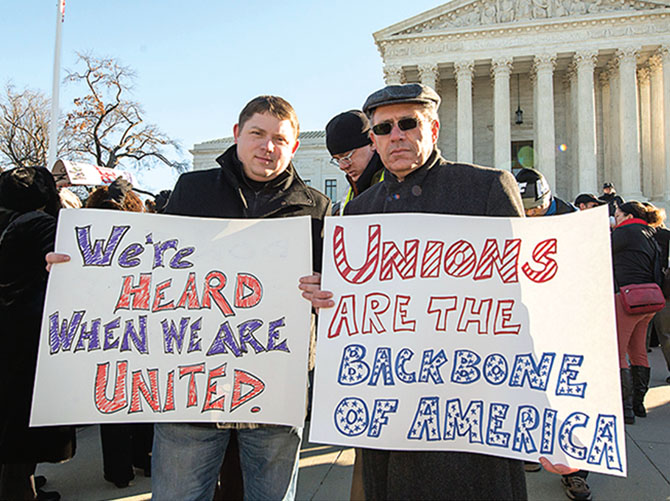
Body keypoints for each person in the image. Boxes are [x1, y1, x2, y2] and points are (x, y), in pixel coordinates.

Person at [300, 83, 578, 500]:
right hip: (390, 411)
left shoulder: (485, 189)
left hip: (468, 410)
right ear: (373, 140)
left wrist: (544, 411)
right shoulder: (359, 210)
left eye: (408, 123)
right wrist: (330, 295)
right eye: (384, 128)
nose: (397, 135)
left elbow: (521, 305)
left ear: (432, 127)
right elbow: (359, 314)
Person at [0, 167, 75, 501]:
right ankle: (19, 488)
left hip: (11, 336)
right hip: (25, 340)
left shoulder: (10, 220)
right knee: (20, 428)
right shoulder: (38, 223)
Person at [518, 171, 592, 501]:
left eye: (535, 209)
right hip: (525, 319)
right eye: (525, 211)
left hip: (565, 319)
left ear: (547, 200)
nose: (531, 216)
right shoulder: (512, 216)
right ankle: (528, 451)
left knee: (565, 399)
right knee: (523, 391)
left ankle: (575, 470)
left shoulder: (573, 222)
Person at [84, 179, 154, 489]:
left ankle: (120, 469)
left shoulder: (89, 236)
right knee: (141, 398)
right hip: (136, 330)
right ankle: (142, 458)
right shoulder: (143, 236)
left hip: (111, 331)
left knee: (112, 401)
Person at [611, 201, 665, 425]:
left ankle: (624, 408)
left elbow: (597, 251)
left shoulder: (624, 232)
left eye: (617, 214)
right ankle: (638, 404)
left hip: (626, 296)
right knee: (638, 351)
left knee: (618, 351)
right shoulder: (651, 232)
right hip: (649, 299)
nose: (615, 218)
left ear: (627, 215)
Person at [325, 110, 384, 215]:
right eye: (337, 160)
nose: (342, 166)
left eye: (347, 156)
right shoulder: (350, 191)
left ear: (373, 143)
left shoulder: (395, 180)